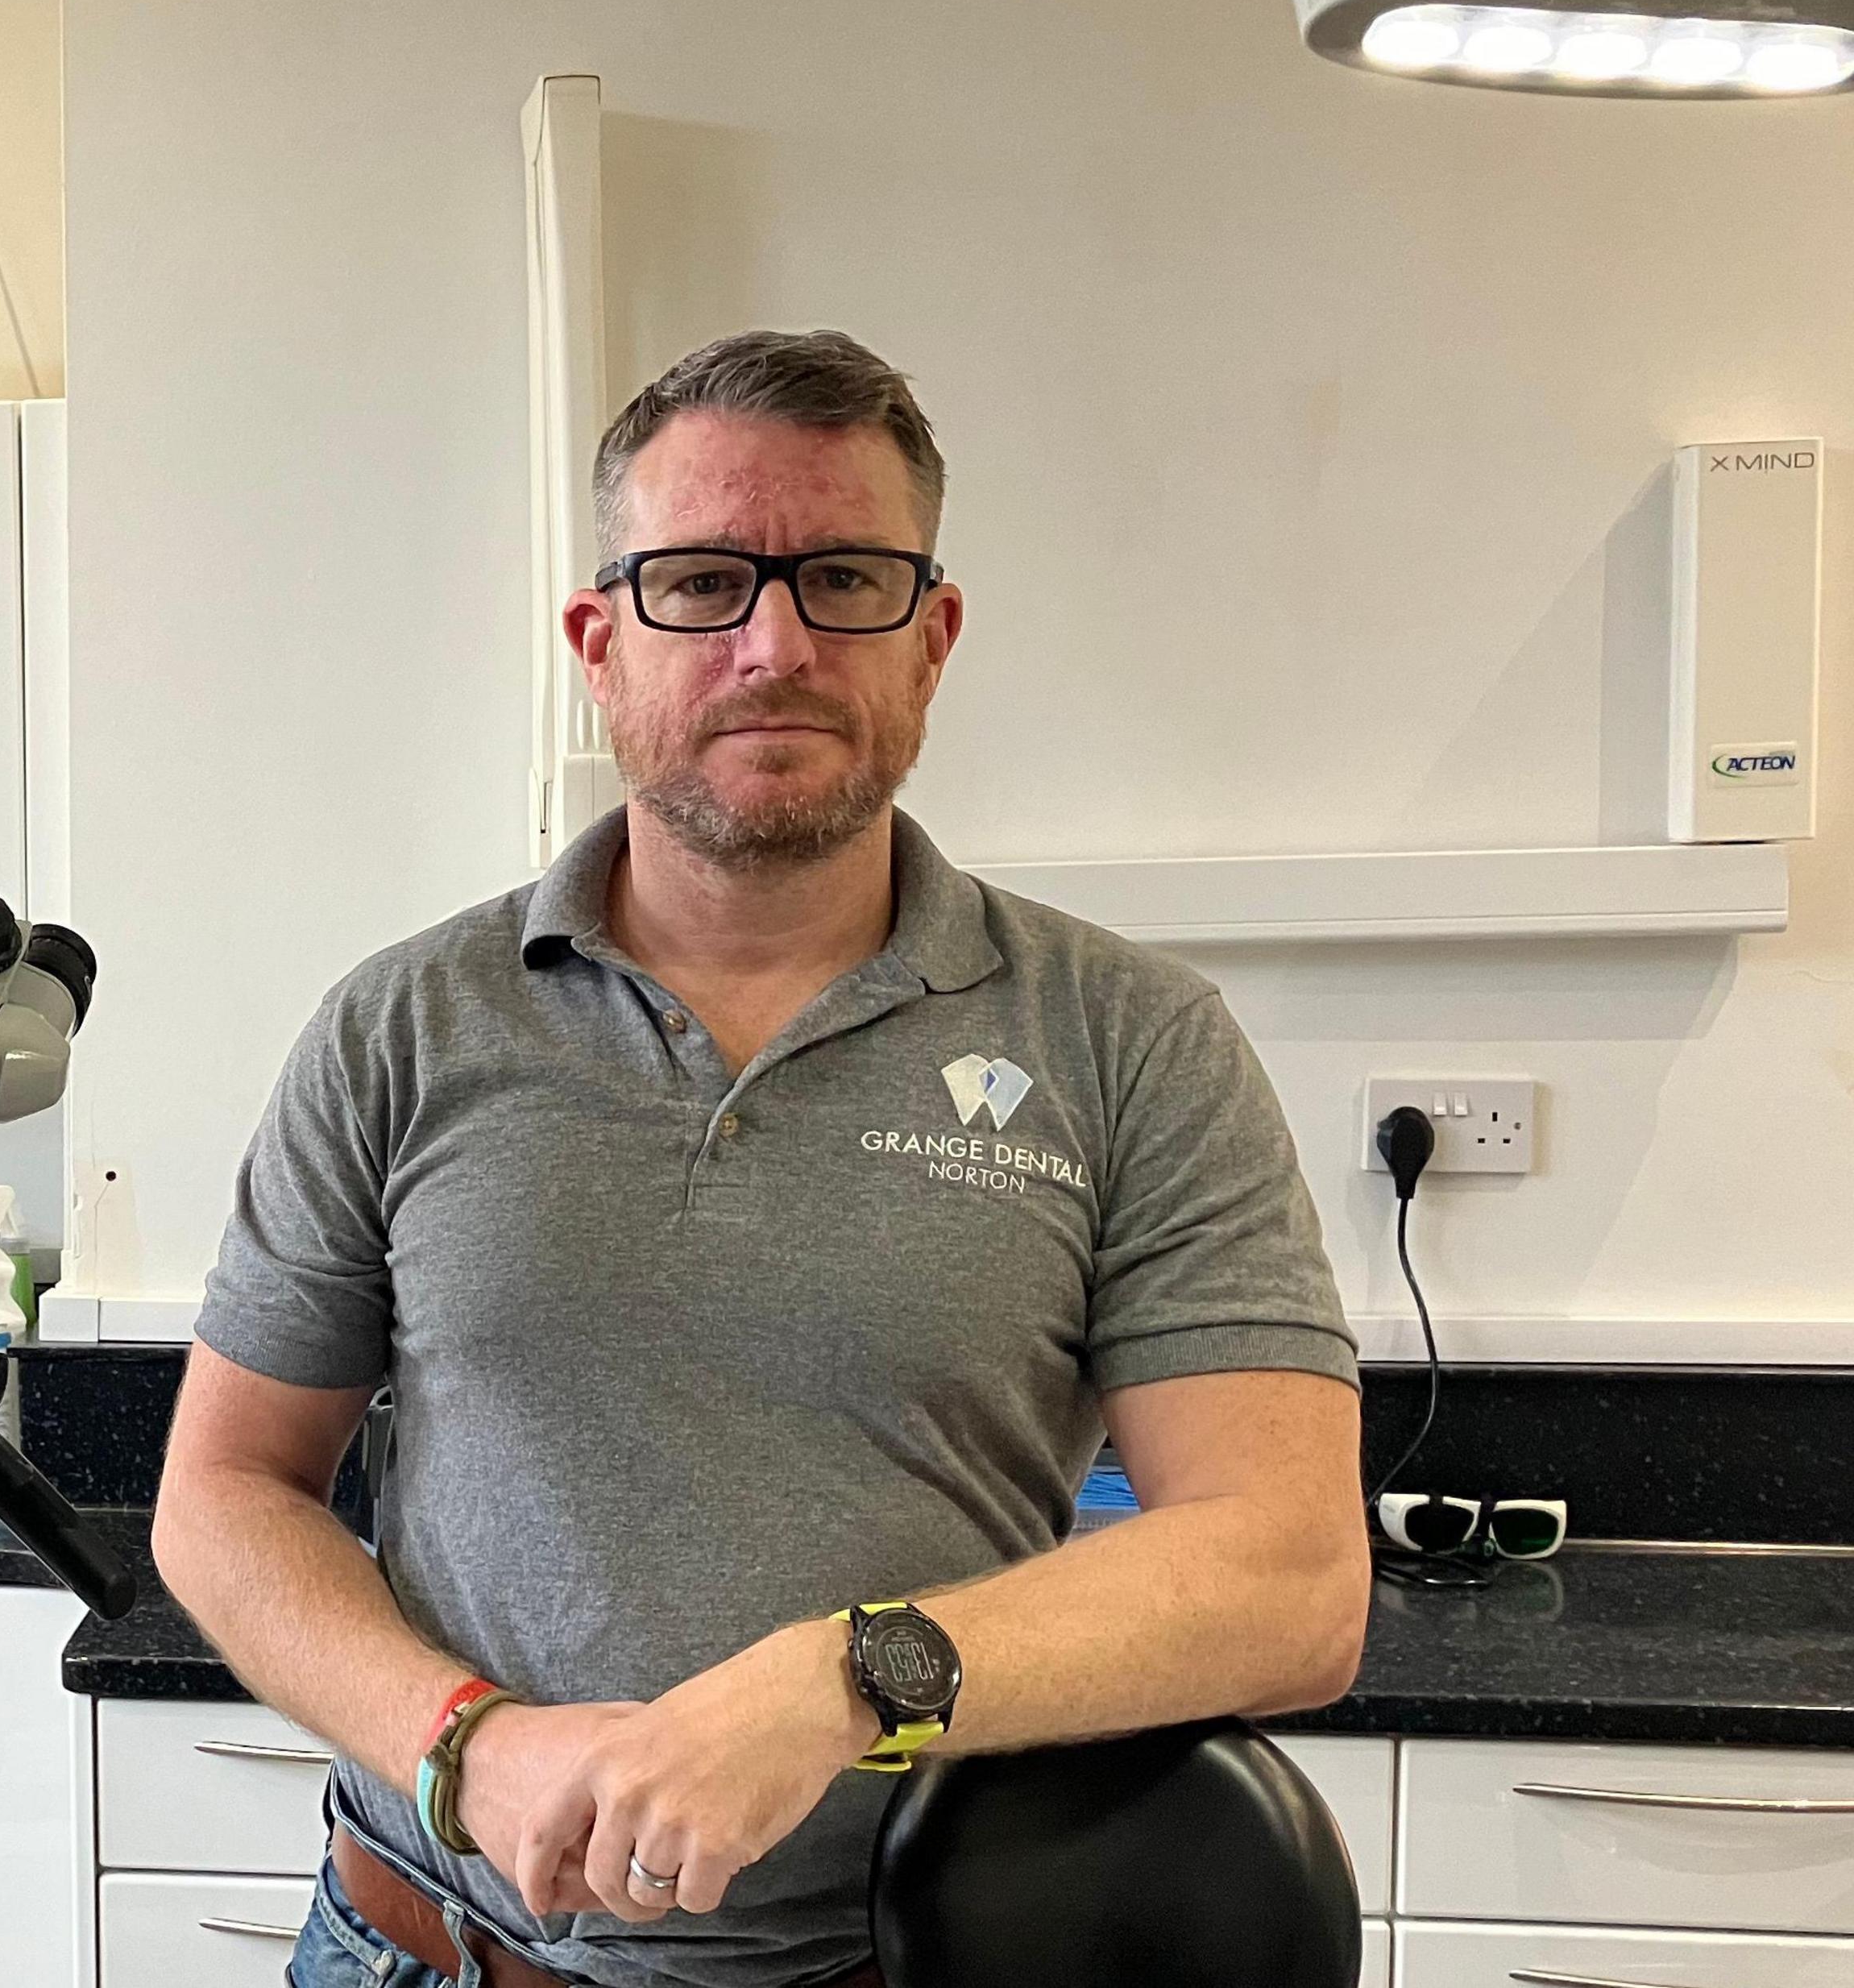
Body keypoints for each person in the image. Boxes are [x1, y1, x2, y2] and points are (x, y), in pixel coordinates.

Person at [150, 330, 1373, 1988]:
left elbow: (1290, 1570)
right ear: (601, 643)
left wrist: (852, 1675)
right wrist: (462, 1743)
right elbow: (224, 1490)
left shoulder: (1127, 1040)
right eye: (702, 581)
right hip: (422, 1950)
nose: (776, 641)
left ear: (932, 641)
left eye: (846, 578)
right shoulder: (403, 1027)